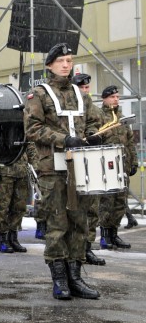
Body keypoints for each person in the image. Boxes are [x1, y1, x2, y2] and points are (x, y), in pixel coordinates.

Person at [25, 43, 101, 300]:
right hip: (52, 169)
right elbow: (32, 129)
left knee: (80, 222)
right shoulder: (39, 94)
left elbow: (93, 122)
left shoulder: (82, 95)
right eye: (61, 61)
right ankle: (59, 280)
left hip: (79, 167)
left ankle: (75, 277)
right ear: (50, 65)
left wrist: (92, 136)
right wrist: (63, 139)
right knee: (57, 223)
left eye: (69, 60)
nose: (66, 65)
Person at [98, 85, 138, 251]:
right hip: (107, 168)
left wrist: (133, 162)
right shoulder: (99, 117)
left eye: (117, 97)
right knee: (107, 202)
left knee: (120, 203)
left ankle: (114, 233)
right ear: (105, 99)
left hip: (123, 167)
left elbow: (130, 143)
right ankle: (105, 235)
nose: (116, 99)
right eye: (113, 97)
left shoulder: (121, 118)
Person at [71, 73, 106, 266]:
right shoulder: (71, 106)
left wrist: (94, 135)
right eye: (82, 87)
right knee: (77, 208)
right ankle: (75, 250)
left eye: (87, 87)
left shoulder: (95, 110)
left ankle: (87, 247)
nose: (86, 90)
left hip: (93, 160)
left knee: (93, 208)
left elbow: (101, 131)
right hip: (75, 161)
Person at [0, 145, 35, 254]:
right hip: (3, 172)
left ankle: (13, 238)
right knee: (2, 207)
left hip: (21, 171)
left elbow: (29, 145)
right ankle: (3, 239)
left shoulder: (23, 127)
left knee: (19, 207)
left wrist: (37, 165)